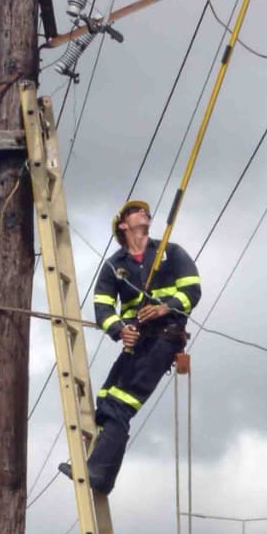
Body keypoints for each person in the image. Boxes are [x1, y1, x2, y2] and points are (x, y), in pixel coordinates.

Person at [73, 199, 202, 495]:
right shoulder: (115, 266)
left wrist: (164, 308)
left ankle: (99, 472)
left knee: (119, 403)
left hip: (164, 337)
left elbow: (192, 291)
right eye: (135, 211)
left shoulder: (171, 252)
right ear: (123, 224)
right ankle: (102, 473)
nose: (143, 212)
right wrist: (120, 330)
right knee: (106, 400)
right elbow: (103, 307)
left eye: (144, 210)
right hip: (140, 342)